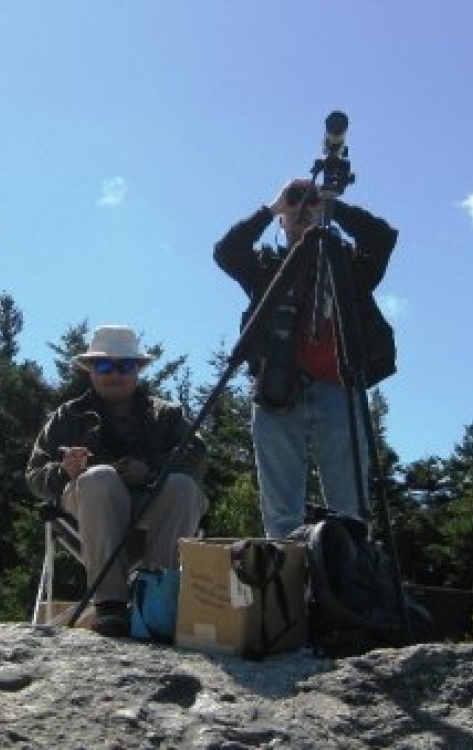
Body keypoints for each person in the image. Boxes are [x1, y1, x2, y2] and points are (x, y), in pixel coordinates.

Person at [214, 179, 398, 539]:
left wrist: (333, 208)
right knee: (282, 514)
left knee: (350, 510)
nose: (303, 209)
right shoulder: (267, 268)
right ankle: (288, 584)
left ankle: (348, 580)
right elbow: (227, 251)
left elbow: (382, 238)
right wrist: (274, 206)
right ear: (282, 221)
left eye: (310, 203)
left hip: (340, 392)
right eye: (296, 204)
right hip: (276, 393)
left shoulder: (350, 268)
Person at [26, 325, 209, 637]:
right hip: (87, 514)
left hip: (152, 510)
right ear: (91, 371)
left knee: (182, 487)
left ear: (137, 370)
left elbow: (198, 457)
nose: (115, 374)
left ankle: (156, 601)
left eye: (124, 365)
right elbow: (34, 476)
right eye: (104, 366)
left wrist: (149, 470)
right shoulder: (67, 416)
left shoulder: (169, 414)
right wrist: (65, 471)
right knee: (100, 478)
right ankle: (109, 605)